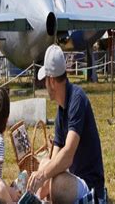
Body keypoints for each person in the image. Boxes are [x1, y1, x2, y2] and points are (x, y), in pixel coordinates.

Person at [27, 44, 105, 203]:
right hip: (75, 179)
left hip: (90, 185)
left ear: (51, 81)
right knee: (45, 163)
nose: (44, 86)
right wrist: (35, 193)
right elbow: (55, 158)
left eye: (45, 81)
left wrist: (42, 176)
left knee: (58, 184)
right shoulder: (61, 111)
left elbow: (68, 154)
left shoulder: (77, 99)